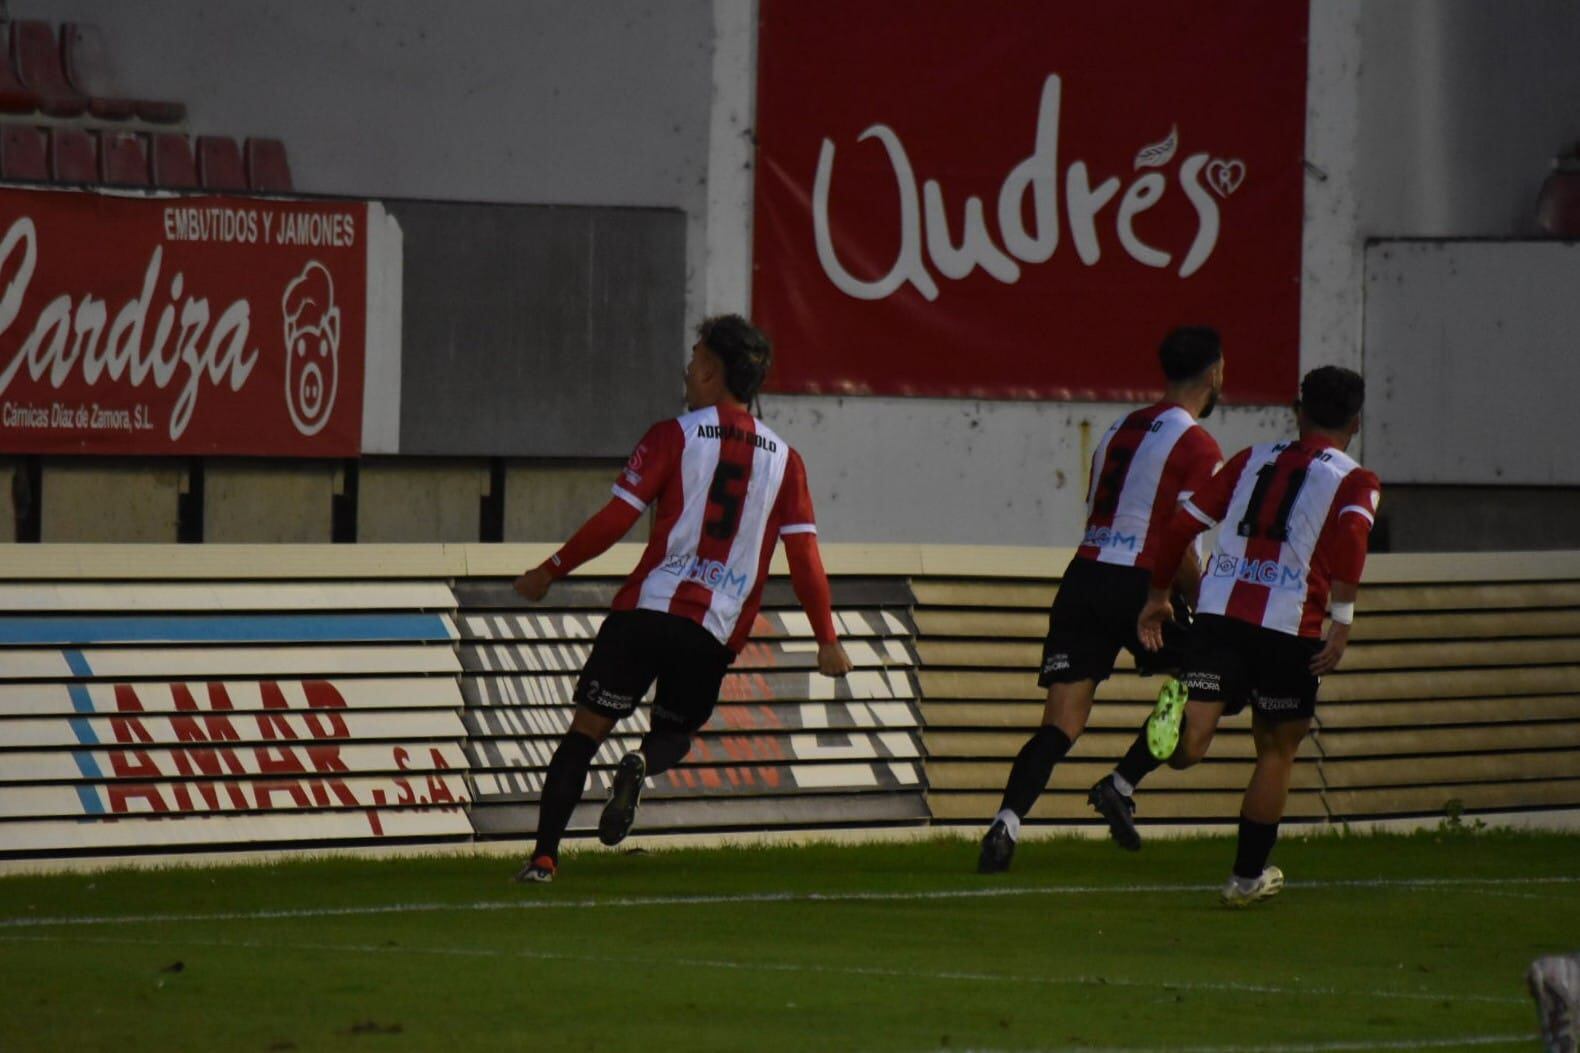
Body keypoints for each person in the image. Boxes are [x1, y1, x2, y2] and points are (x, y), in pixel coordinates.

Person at [511, 314, 853, 883]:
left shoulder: (675, 434)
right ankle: (643, 765)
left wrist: (551, 569)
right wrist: (826, 640)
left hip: (645, 613)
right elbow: (804, 562)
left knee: (585, 732)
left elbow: (617, 519)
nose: (687, 371)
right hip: (711, 631)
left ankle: (544, 858)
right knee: (673, 734)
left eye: (695, 361)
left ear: (714, 372)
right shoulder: (786, 462)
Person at [1118, 365, 1381, 906]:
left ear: (1296, 408)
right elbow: (1354, 534)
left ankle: (1179, 720)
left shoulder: (1249, 460)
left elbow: (1181, 526)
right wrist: (1344, 619)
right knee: (1275, 750)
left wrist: (1159, 596)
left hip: (1220, 614)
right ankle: (1244, 879)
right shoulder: (1355, 479)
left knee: (1191, 746)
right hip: (1291, 624)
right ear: (1355, 422)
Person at [977, 327, 1225, 873]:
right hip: (1139, 580)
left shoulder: (1118, 428)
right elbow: (1178, 537)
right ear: (1216, 373)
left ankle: (1006, 823)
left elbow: (1098, 508)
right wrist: (1203, 602)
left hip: (1085, 575)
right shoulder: (1199, 444)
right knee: (1214, 671)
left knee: (1060, 724)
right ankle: (1122, 781)